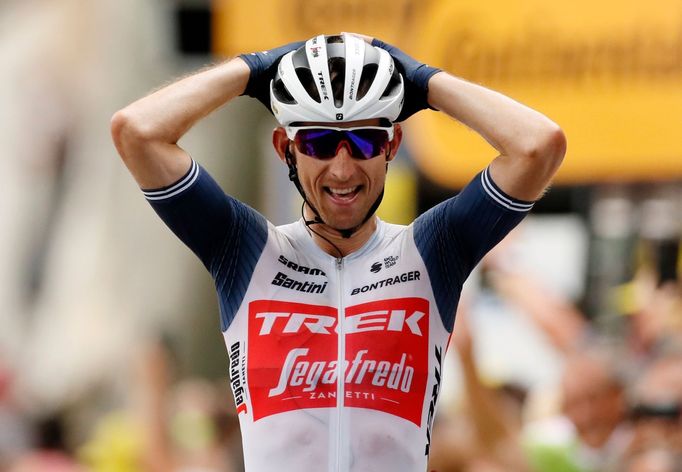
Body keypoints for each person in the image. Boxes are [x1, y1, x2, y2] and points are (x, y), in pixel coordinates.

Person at [111, 32, 565, 472]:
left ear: (392, 146)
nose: (343, 168)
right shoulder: (245, 249)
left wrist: (425, 82)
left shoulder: (432, 251)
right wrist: (251, 70)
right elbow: (137, 132)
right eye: (319, 143)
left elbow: (537, 145)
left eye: (365, 141)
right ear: (285, 149)